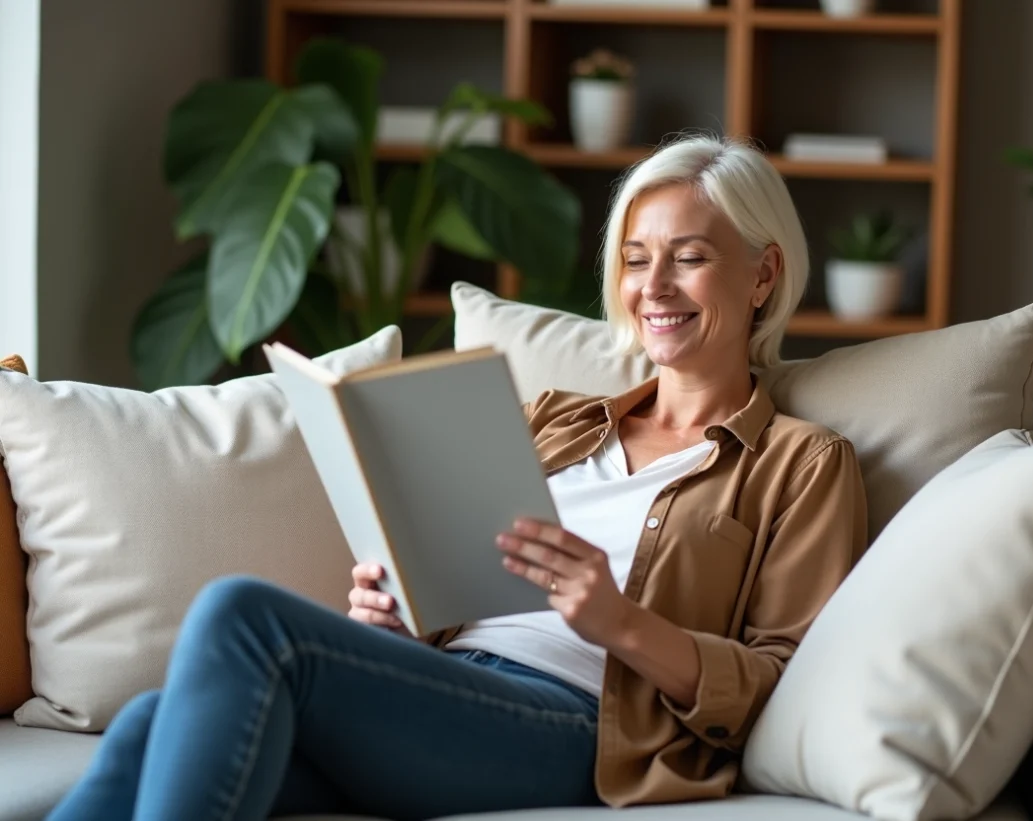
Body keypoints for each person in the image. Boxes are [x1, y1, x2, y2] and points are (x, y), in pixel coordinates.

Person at [48, 134, 869, 821]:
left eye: (687, 259)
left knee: (242, 612)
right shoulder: (557, 417)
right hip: (448, 691)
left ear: (762, 275)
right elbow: (463, 577)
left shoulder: (803, 464)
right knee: (153, 724)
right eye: (635, 259)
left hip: (579, 726)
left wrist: (618, 621)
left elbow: (778, 681)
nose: (652, 287)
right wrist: (402, 616)